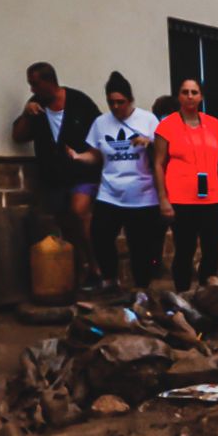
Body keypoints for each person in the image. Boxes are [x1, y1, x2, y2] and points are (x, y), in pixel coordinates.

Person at [9, 61, 101, 283]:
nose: (32, 89)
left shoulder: (79, 102)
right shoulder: (35, 106)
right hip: (54, 175)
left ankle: (97, 265)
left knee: (79, 212)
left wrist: (92, 156)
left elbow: (100, 129)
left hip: (82, 171)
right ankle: (81, 266)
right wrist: (26, 114)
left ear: (50, 82)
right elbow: (19, 136)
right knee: (66, 223)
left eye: (35, 84)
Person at [153, 77, 218, 291]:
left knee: (211, 249)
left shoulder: (213, 124)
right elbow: (158, 163)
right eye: (185, 92)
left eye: (194, 92)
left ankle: (208, 292)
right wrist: (163, 199)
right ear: (179, 96)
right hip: (181, 200)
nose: (190, 96)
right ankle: (183, 294)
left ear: (201, 96)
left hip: (211, 197)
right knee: (185, 250)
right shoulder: (168, 126)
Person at [81, 71, 165, 289]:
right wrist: (78, 157)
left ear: (130, 100)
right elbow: (96, 154)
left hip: (142, 194)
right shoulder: (101, 123)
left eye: (121, 102)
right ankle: (110, 279)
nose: (116, 107)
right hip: (110, 192)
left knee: (140, 246)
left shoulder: (148, 120)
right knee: (100, 236)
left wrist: (149, 142)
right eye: (111, 102)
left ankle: (142, 288)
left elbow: (164, 153)